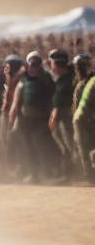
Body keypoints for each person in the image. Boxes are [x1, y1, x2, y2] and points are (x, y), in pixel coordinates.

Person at [9, 50, 59, 184]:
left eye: (37, 64)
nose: (34, 67)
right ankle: (33, 174)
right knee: (28, 147)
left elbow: (54, 98)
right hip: (26, 120)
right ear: (27, 64)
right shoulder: (23, 79)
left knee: (43, 147)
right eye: (32, 64)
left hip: (42, 120)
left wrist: (53, 115)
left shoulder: (47, 78)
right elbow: (16, 100)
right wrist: (12, 117)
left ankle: (48, 174)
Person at [48, 49, 77, 180]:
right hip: (62, 117)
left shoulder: (69, 79)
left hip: (66, 118)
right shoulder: (64, 78)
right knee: (65, 147)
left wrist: (54, 116)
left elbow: (61, 101)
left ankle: (80, 173)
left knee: (71, 146)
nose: (50, 66)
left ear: (58, 64)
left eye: (52, 63)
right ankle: (69, 173)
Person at [73, 60, 95, 186]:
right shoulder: (84, 83)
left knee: (87, 148)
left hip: (87, 119)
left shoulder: (89, 82)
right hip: (81, 120)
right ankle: (90, 177)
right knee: (83, 148)